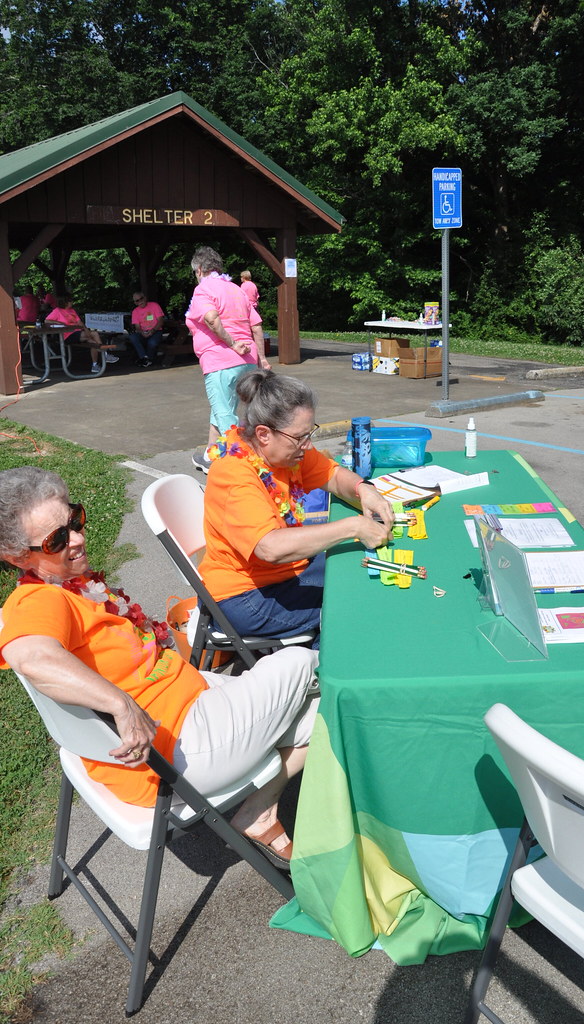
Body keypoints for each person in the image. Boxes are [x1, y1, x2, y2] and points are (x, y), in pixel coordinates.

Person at [0, 467, 319, 866]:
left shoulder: (73, 586)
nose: (77, 539)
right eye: (56, 539)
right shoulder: (39, 600)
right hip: (172, 754)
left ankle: (260, 811)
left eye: (75, 520)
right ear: (17, 557)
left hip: (187, 708)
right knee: (302, 661)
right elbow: (31, 656)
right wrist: (120, 704)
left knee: (325, 711)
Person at [200, 369, 394, 646]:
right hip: (245, 598)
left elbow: (332, 475)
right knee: (349, 603)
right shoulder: (234, 474)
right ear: (264, 434)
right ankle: (324, 666)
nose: (308, 444)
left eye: (309, 433)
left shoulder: (287, 452)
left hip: (284, 574)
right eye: (300, 437)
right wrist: (353, 526)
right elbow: (270, 548)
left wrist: (364, 489)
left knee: (353, 573)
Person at [186, 247, 271, 474]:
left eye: (195, 272)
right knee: (222, 408)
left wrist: (232, 343)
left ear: (200, 269)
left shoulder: (203, 289)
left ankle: (242, 468)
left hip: (220, 361)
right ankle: (210, 454)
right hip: (248, 360)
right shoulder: (237, 289)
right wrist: (262, 359)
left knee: (226, 417)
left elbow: (211, 318)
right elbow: (256, 326)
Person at [46, 294, 118, 373]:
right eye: (70, 301)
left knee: (94, 342)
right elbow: (47, 321)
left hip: (78, 332)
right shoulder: (57, 311)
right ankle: (104, 354)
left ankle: (95, 365)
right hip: (67, 335)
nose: (72, 302)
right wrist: (59, 322)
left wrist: (86, 329)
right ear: (65, 302)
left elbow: (79, 322)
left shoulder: (72, 310)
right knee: (94, 334)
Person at [129, 291, 164, 367]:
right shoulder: (135, 311)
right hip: (143, 332)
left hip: (156, 331)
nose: (140, 301)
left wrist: (153, 330)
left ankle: (147, 359)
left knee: (152, 343)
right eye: (137, 301)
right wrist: (142, 332)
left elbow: (160, 321)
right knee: (133, 337)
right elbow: (137, 327)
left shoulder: (154, 305)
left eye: (141, 299)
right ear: (135, 303)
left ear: (145, 298)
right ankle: (144, 357)